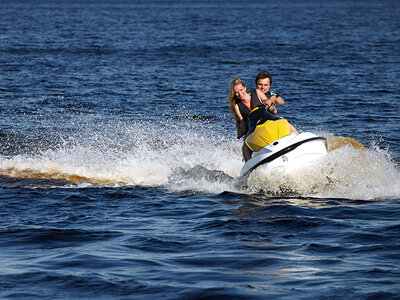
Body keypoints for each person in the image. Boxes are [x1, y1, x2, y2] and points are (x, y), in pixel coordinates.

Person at [227, 78, 298, 162]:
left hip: (268, 121)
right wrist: (241, 130)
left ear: (245, 88)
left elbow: (270, 105)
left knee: (282, 120)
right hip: (255, 129)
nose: (240, 94)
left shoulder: (257, 92)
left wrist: (271, 104)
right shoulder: (237, 106)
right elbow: (242, 122)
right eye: (236, 92)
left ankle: (300, 138)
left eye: (241, 90)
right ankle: (248, 166)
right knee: (245, 145)